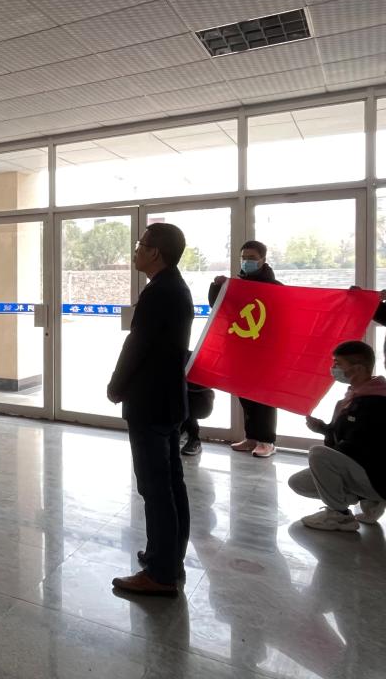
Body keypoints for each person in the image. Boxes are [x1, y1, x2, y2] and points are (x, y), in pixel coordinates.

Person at [107, 223, 193, 597]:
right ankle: (169, 558)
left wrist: (115, 386)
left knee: (156, 487)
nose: (136, 250)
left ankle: (160, 574)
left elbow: (137, 345)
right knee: (170, 483)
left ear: (155, 252)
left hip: (150, 401)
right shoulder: (175, 287)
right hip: (168, 400)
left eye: (140, 244)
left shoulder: (159, 292)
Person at [289, 341, 386, 532]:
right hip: (362, 469)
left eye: (338, 364)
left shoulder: (377, 402)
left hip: (377, 474)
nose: (333, 368)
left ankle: (340, 515)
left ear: (358, 368)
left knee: (318, 454)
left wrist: (330, 455)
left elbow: (360, 447)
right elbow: (346, 438)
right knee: (299, 483)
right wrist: (324, 429)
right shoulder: (353, 397)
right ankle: (370, 500)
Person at [209, 241, 282, 458]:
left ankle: (267, 441)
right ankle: (251, 438)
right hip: (242, 349)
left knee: (264, 397)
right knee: (246, 395)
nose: (246, 261)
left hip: (265, 352)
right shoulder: (237, 285)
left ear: (263, 260)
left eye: (251, 257)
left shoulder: (275, 287)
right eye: (244, 257)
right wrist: (217, 286)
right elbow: (218, 306)